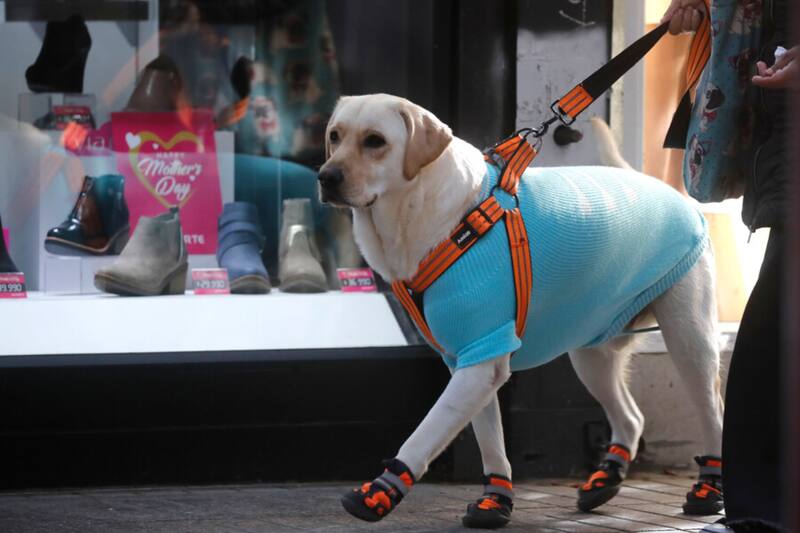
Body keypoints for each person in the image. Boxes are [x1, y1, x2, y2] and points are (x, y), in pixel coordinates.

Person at [661, 1, 793, 531]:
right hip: (781, 123)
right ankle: (756, 509)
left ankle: (757, 509)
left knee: (773, 327)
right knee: (772, 329)